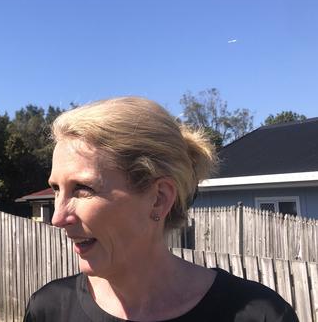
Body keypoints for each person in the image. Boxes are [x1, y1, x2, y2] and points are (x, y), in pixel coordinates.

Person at [24, 97, 298, 322]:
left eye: (83, 189)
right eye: (57, 189)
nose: (58, 218)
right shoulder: (49, 310)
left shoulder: (263, 316)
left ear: (159, 198)